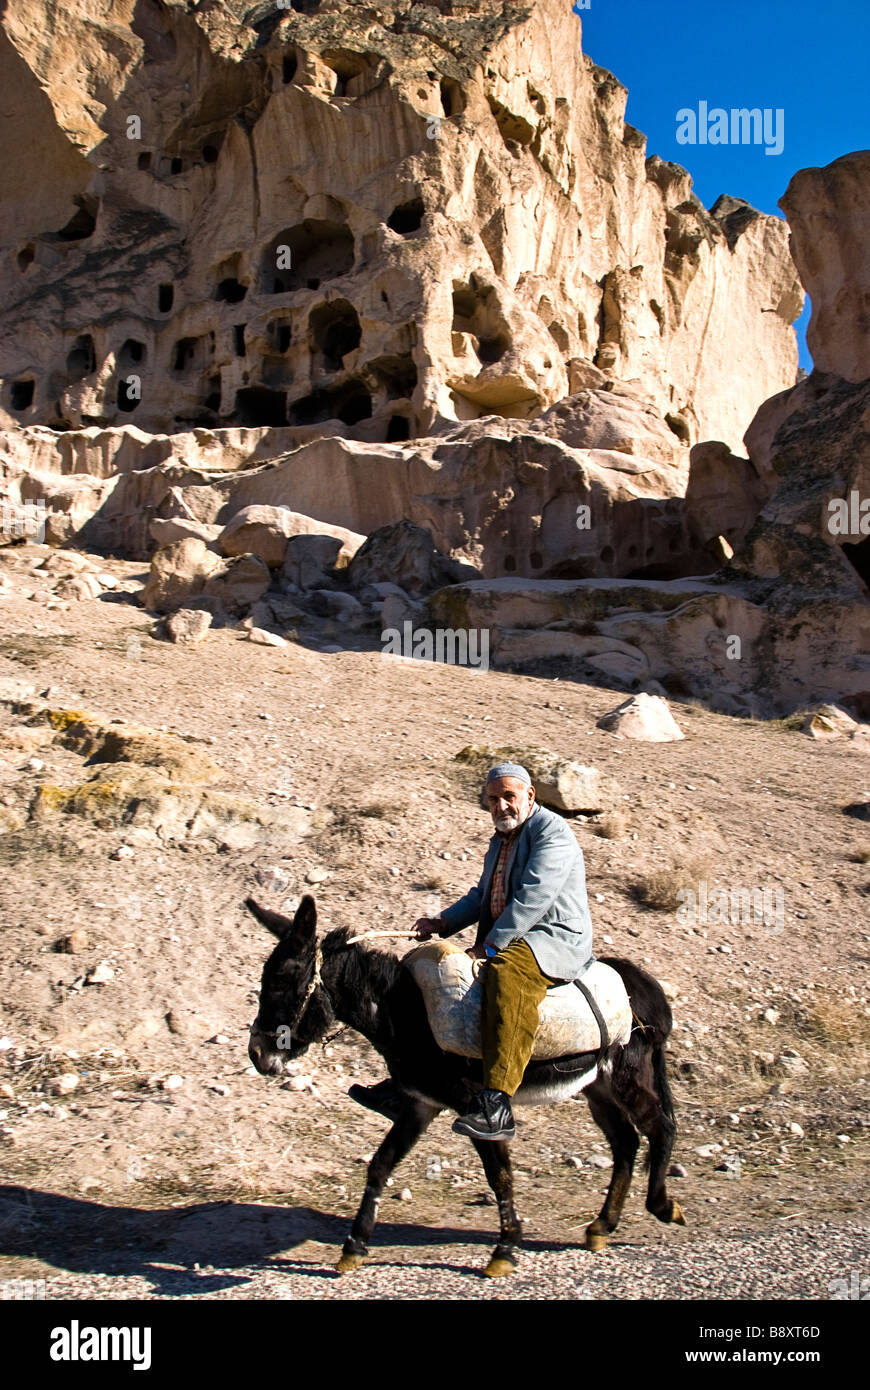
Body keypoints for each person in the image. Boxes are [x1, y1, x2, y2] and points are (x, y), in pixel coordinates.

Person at [349, 762, 595, 1140]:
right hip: (513, 934)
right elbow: (482, 897)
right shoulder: (501, 840)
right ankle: (408, 1085)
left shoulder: (552, 833)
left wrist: (491, 946)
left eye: (509, 797)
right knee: (432, 974)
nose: (501, 807)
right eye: (493, 799)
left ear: (529, 796)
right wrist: (441, 924)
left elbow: (534, 897)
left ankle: (496, 1105)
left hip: (552, 937)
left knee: (506, 974)